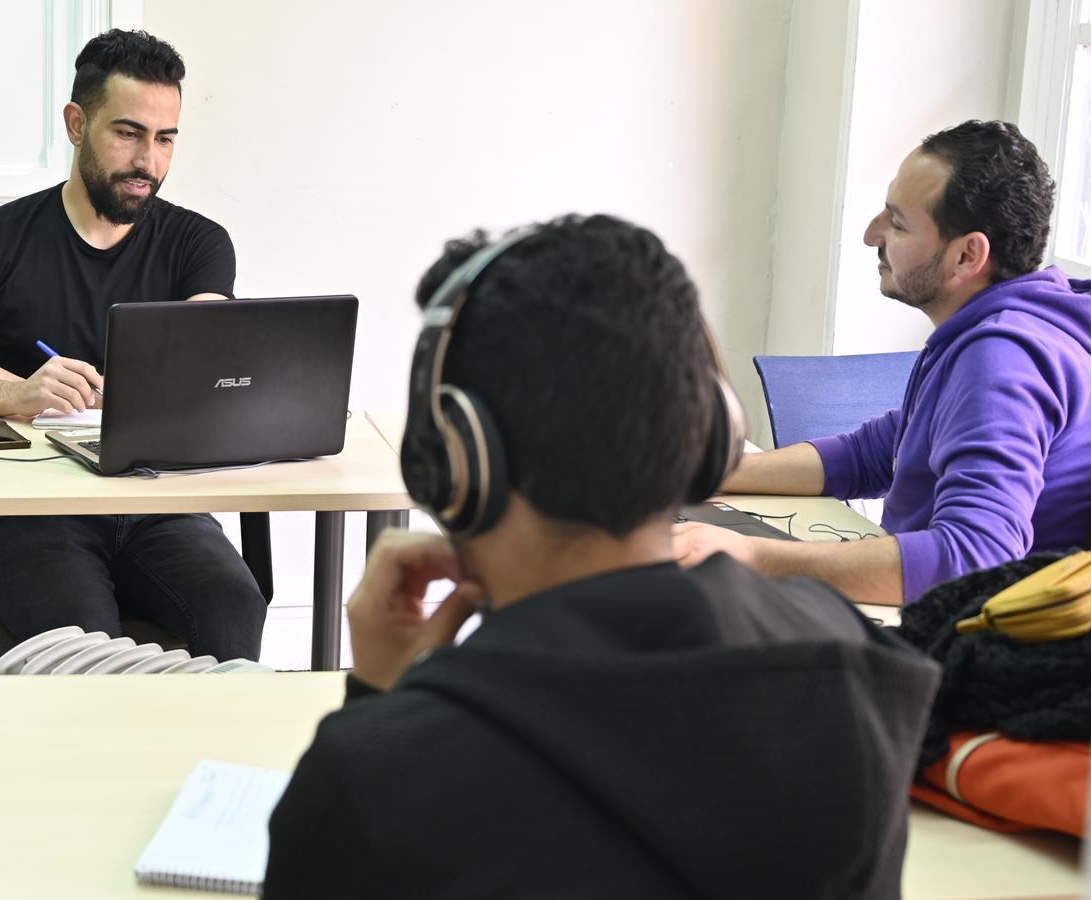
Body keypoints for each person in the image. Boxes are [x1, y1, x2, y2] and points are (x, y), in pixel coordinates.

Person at [263, 215, 939, 899]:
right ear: (706, 432)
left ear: (458, 457)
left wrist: (372, 701)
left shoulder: (376, 779)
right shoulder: (849, 664)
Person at [0, 29, 264, 660]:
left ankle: (204, 760)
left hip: (157, 504)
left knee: (234, 605)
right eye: (127, 133)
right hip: (30, 509)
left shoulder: (199, 244)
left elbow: (207, 370)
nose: (149, 161)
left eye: (164, 138)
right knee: (87, 645)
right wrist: (19, 394)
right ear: (75, 123)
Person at [675, 120, 1091, 606]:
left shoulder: (1003, 358)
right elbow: (876, 453)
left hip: (962, 648)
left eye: (898, 222)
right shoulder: (1001, 329)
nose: (873, 235)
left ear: (967, 255)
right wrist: (702, 470)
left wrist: (750, 556)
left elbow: (973, 558)